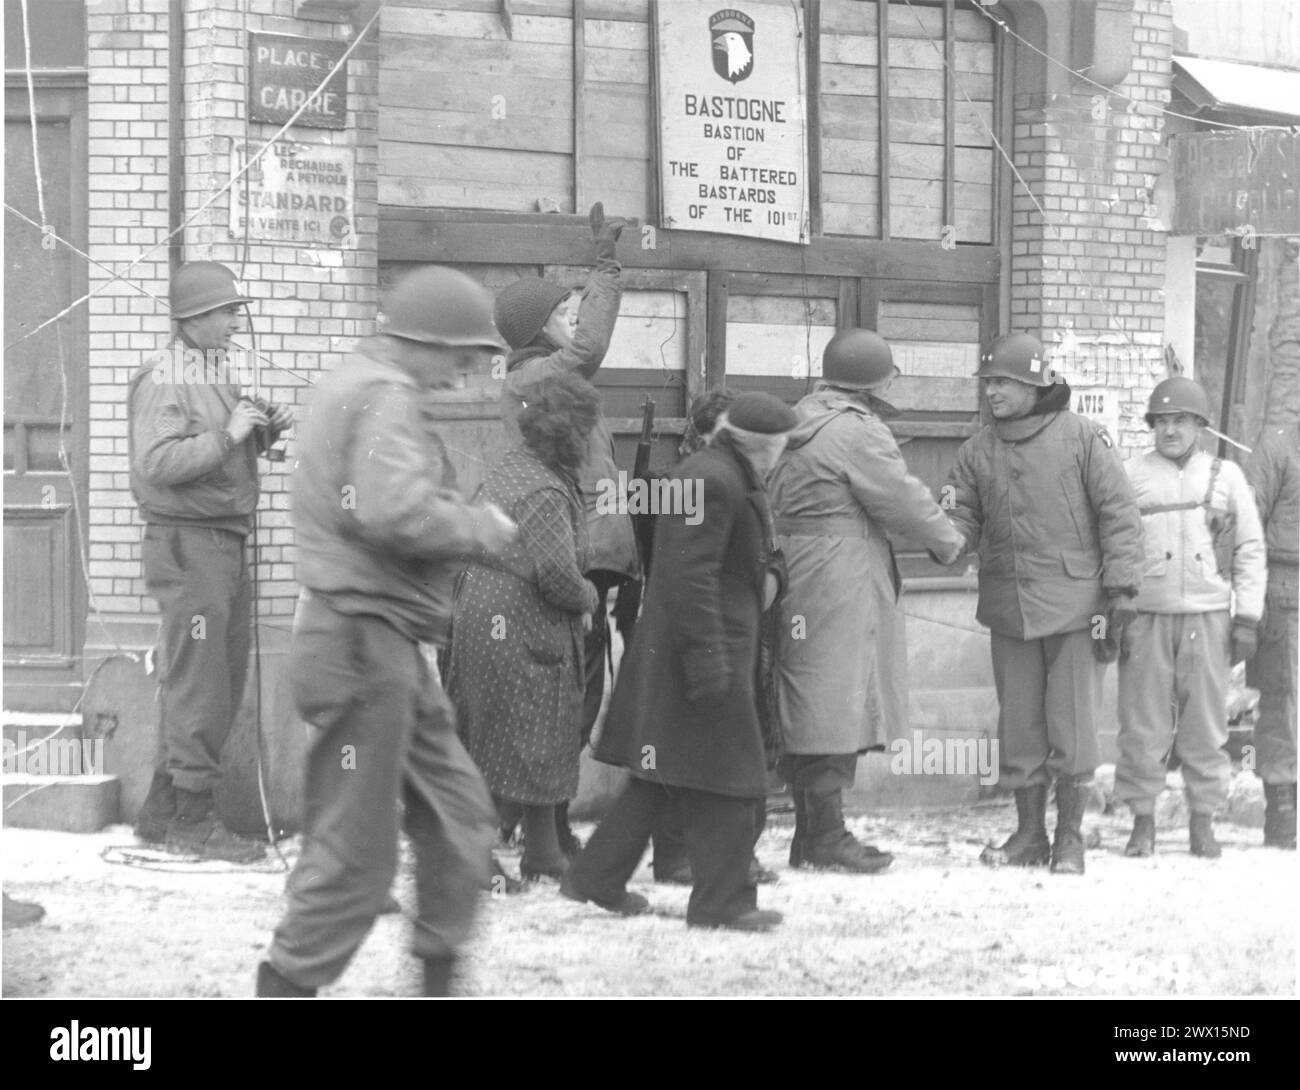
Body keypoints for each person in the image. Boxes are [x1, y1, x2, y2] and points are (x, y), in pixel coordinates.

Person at [256, 266, 517, 998]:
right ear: (423, 342)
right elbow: (390, 511)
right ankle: (285, 987)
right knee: (356, 853)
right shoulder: (384, 395)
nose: (461, 376)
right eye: (459, 359)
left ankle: (438, 982)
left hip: (384, 643)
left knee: (460, 817)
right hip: (361, 643)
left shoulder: (356, 383)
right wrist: (479, 527)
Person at [563, 392, 797, 931]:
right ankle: (723, 902)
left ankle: (595, 877)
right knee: (735, 778)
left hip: (687, 651)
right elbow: (691, 578)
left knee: (663, 774)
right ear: (763, 446)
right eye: (781, 448)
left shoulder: (712, 471)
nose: (780, 457)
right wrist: (711, 659)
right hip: (704, 653)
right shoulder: (716, 480)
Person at [943, 332, 1143, 875]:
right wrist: (945, 538)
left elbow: (1120, 515)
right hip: (1009, 608)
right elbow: (959, 513)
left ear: (1036, 383)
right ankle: (1029, 834)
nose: (993, 393)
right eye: (988, 383)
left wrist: (1122, 590)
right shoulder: (975, 450)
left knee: (1072, 725)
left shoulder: (1083, 437)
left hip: (1078, 607)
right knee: (1020, 727)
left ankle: (1070, 839)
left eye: (1004, 382)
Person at [768, 329, 966, 872]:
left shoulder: (796, 418)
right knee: (840, 698)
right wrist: (949, 542)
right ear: (875, 384)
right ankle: (826, 837)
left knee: (808, 694)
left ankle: (811, 834)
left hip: (793, 567)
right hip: (843, 573)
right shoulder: (859, 432)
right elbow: (902, 499)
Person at [128, 260, 292, 862]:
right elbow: (158, 463)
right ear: (194, 318)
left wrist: (262, 431)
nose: (233, 322)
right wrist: (228, 433)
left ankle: (161, 810)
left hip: (218, 542)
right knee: (203, 682)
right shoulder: (166, 375)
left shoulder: (208, 369)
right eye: (225, 312)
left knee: (213, 677)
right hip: (190, 545)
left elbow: (222, 443)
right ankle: (194, 821)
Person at [494, 202, 640, 856]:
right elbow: (592, 343)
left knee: (576, 697)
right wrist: (605, 269)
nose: (570, 321)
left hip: (591, 557)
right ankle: (526, 829)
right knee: (566, 701)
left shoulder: (548, 376)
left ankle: (536, 828)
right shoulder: (535, 374)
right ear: (537, 328)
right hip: (571, 557)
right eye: (560, 312)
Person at [446, 371, 602, 881]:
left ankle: (537, 852)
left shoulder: (513, 466)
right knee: (539, 727)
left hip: (481, 612)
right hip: (522, 620)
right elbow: (557, 575)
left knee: (498, 733)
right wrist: (589, 595)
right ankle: (511, 855)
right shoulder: (545, 489)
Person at [1114, 378, 1265, 858]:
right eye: (1161, 421)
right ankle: (1142, 823)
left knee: (1206, 725)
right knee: (1142, 724)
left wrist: (1248, 617)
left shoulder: (1227, 477)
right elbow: (1113, 544)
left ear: (1199, 425)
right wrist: (1111, 610)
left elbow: (1249, 548)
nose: (1169, 430)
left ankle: (1204, 822)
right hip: (1146, 617)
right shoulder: (1130, 474)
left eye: (1179, 420)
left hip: (1209, 616)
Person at [1245, 419, 1299, 849]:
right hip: (1286, 590)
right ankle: (1282, 813)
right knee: (1282, 703)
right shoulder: (1278, 446)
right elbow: (1247, 527)